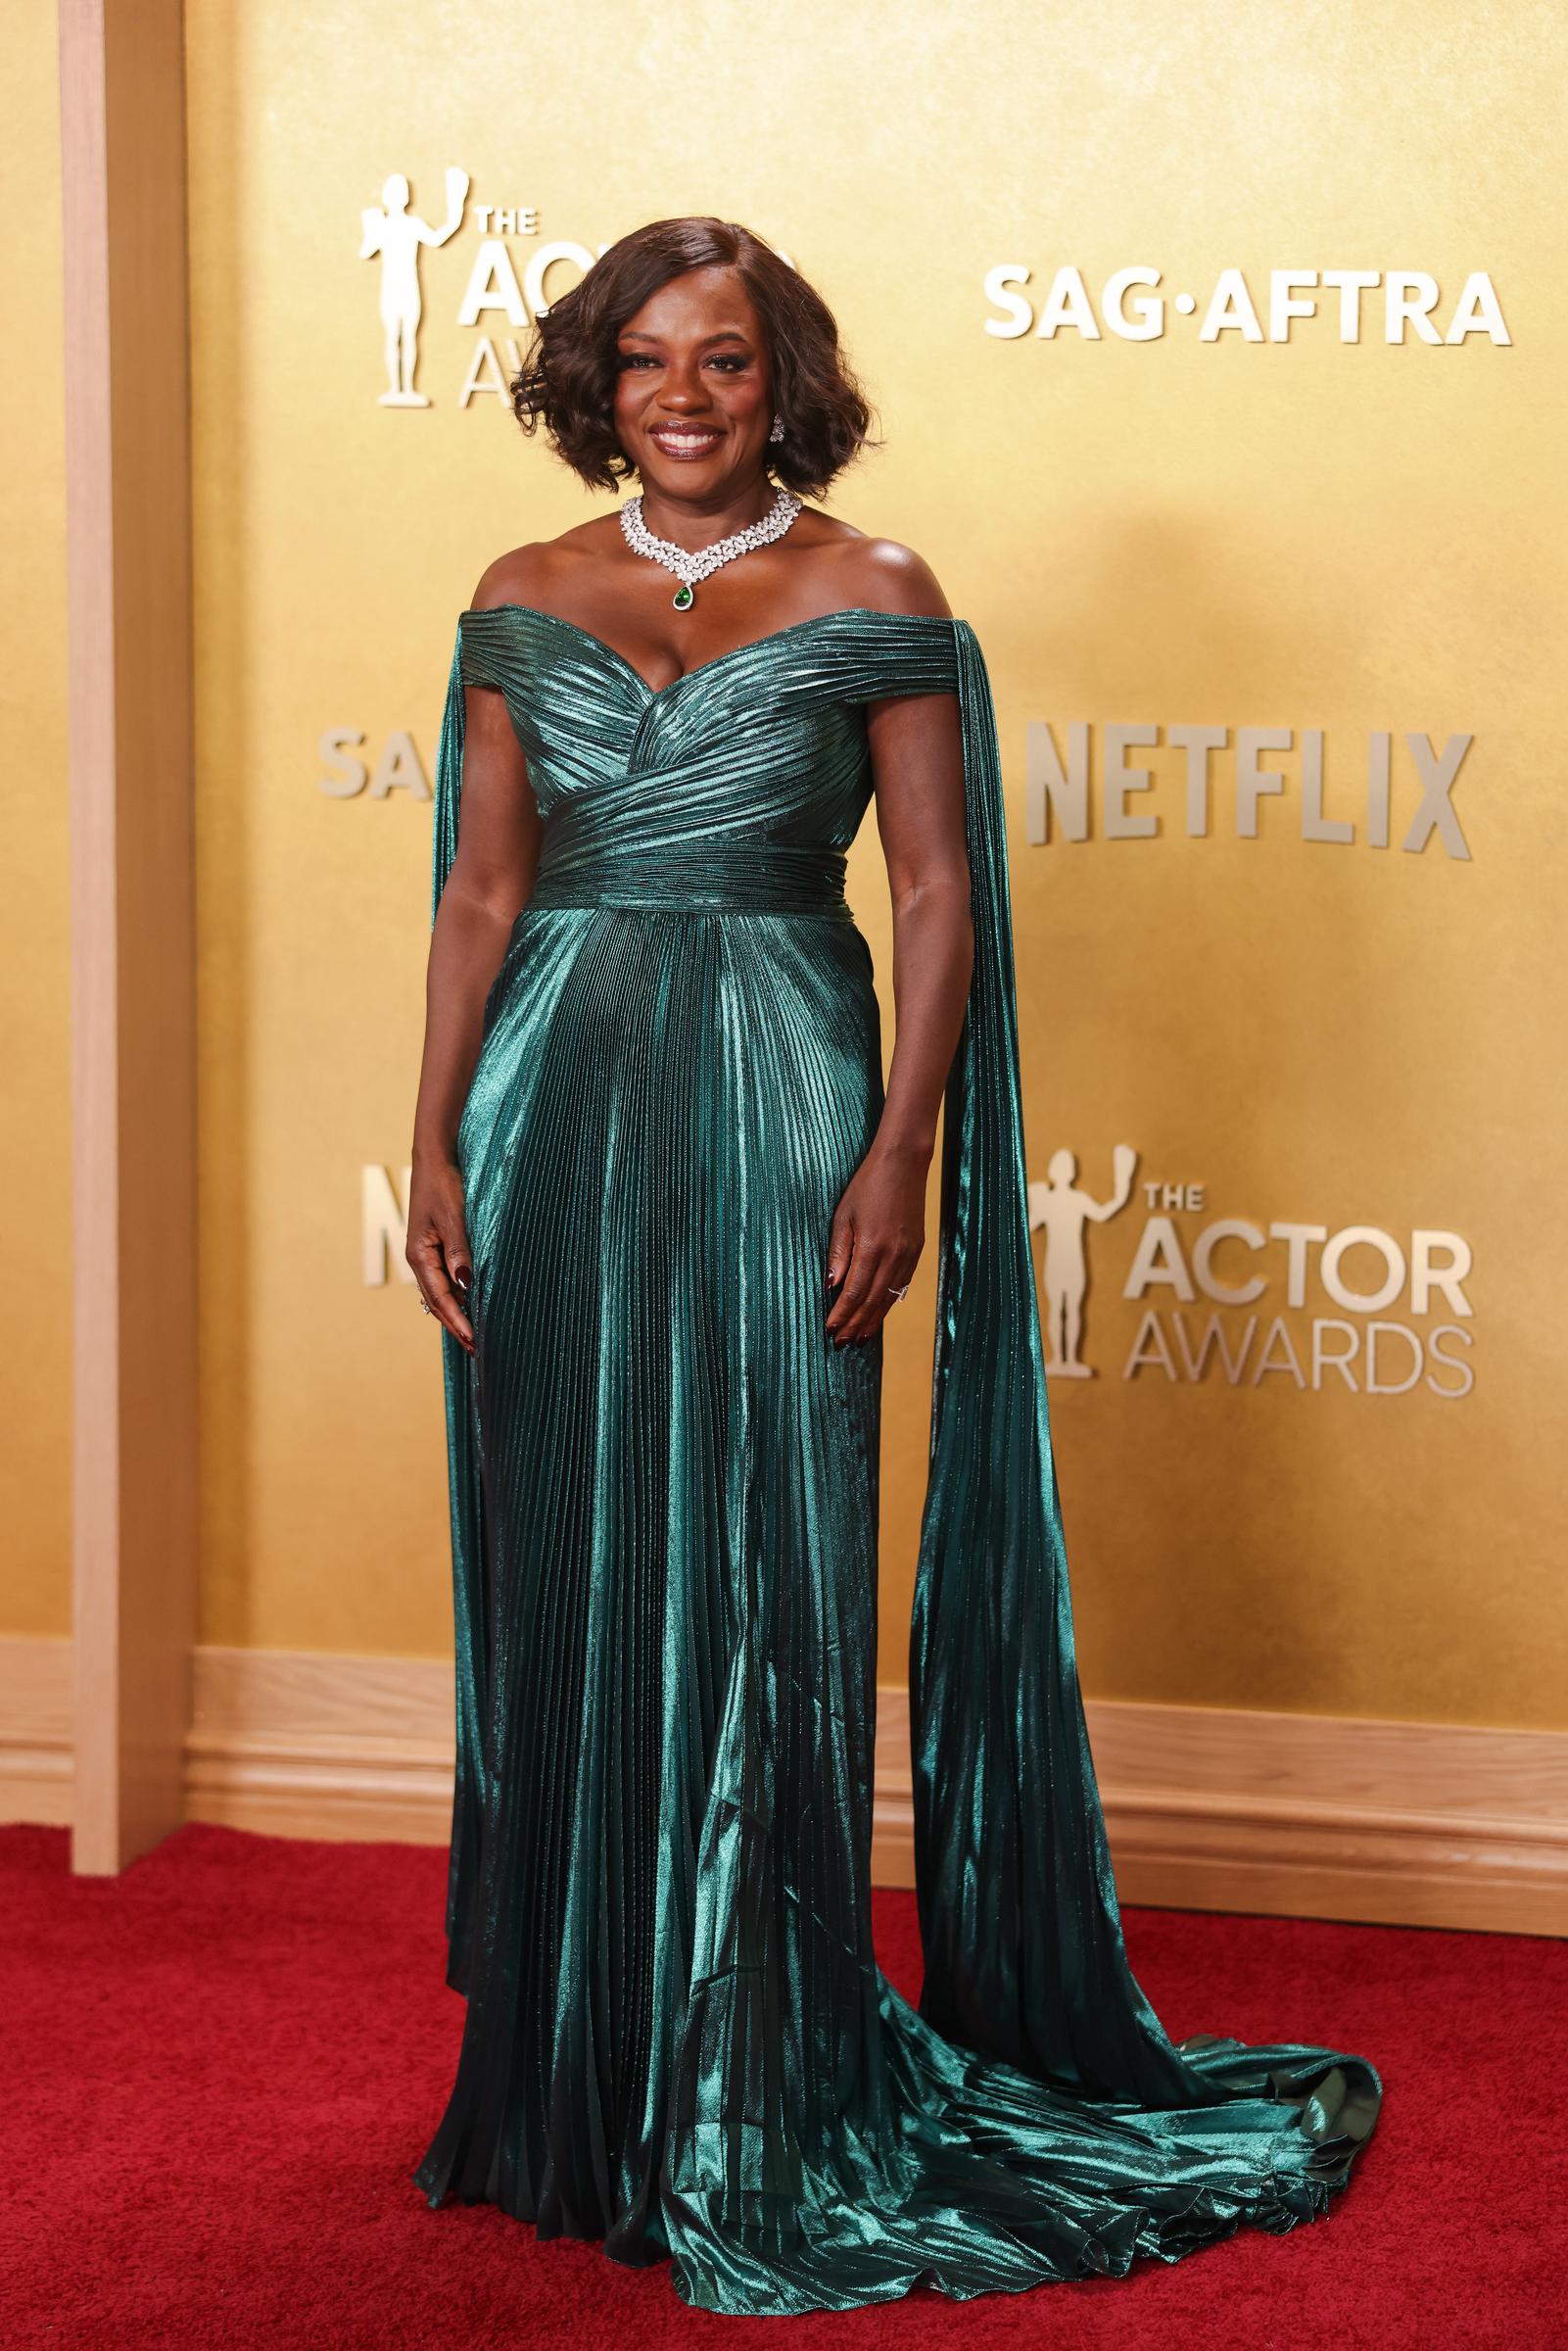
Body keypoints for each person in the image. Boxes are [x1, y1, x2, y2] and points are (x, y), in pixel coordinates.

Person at [404, 215, 1381, 2319]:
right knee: (566, 1560)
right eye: (646, 358)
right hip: (551, 1103)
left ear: (785, 381)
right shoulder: (522, 591)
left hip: (780, 1085)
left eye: (725, 359)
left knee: (770, 1572)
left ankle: (758, 2088)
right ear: (596, 382)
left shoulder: (877, 591)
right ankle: (576, 2086)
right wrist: (430, 1139)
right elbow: (481, 893)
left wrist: (898, 1147)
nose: (683, 395)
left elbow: (933, 891)